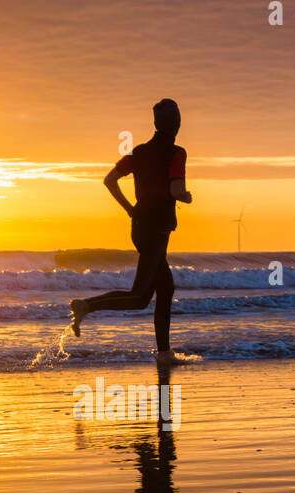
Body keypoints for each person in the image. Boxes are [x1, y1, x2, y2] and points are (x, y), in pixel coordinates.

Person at [70, 98, 192, 360]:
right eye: (178, 118)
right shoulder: (177, 153)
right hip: (156, 232)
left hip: (139, 227)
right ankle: (85, 306)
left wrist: (128, 208)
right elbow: (175, 190)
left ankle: (164, 353)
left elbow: (109, 180)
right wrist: (186, 196)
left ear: (157, 123)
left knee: (165, 288)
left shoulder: (139, 152)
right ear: (177, 123)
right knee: (139, 298)